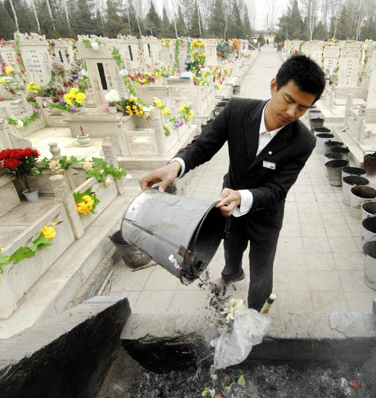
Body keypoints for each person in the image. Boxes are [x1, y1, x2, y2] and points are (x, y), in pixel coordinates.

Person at [139, 55, 326, 311]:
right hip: (229, 206)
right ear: (274, 86)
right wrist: (175, 166)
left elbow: (278, 189)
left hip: (266, 215)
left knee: (262, 269)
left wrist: (243, 197)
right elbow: (203, 146)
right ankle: (231, 274)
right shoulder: (237, 111)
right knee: (231, 247)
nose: (292, 113)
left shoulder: (303, 141)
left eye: (303, 108)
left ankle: (254, 315)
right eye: (288, 100)